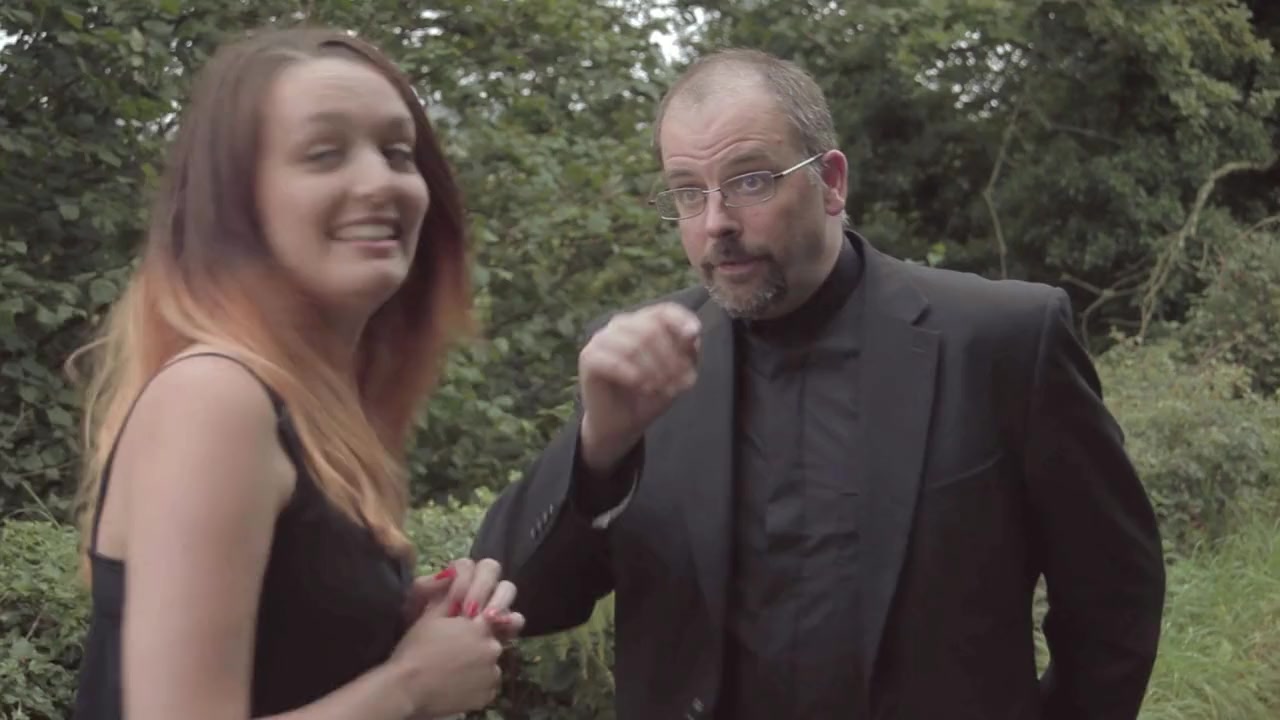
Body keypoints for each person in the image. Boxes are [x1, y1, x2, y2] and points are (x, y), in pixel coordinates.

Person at [470, 48, 1166, 719]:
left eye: (750, 180)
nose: (715, 223)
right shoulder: (644, 360)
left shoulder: (1002, 339)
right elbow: (520, 599)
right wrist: (599, 446)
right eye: (687, 191)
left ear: (831, 181)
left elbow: (1113, 595)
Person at [69, 26, 520, 720]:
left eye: (398, 152)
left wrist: (389, 620)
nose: (379, 181)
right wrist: (412, 684)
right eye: (323, 153)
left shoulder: (311, 406)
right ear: (237, 204)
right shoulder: (216, 399)